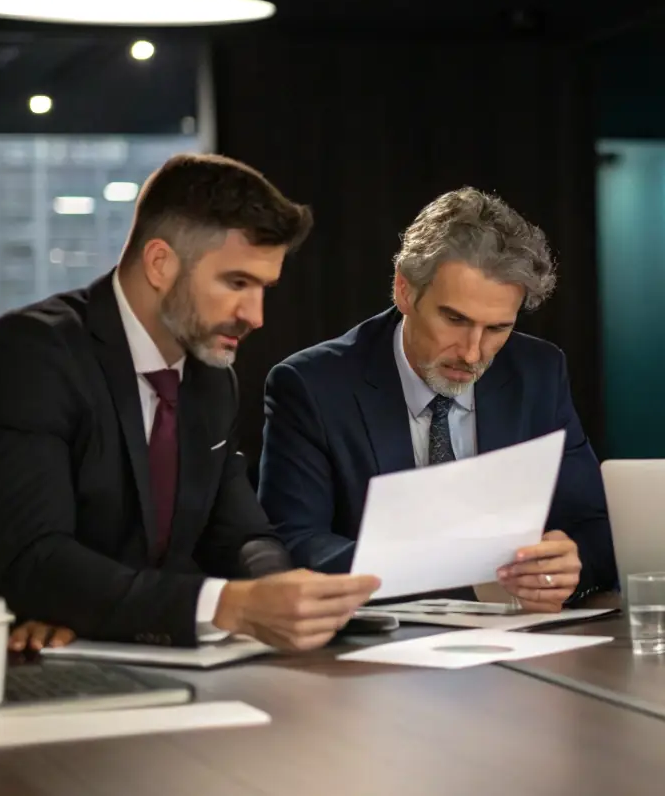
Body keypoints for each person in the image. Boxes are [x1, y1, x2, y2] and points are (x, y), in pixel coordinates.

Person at [0, 154, 381, 660]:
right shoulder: (28, 355)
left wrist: (284, 593)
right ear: (160, 263)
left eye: (263, 289)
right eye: (236, 283)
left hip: (115, 654)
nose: (254, 316)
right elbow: (38, 562)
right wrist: (229, 604)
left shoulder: (213, 382)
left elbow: (241, 534)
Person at [258, 187, 615, 612]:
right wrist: (462, 579)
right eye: (454, 319)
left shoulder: (537, 372)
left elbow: (596, 527)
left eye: (498, 329)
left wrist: (570, 564)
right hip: (375, 646)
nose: (472, 353)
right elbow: (296, 544)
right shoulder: (311, 385)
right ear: (404, 291)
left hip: (522, 642)